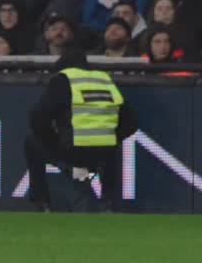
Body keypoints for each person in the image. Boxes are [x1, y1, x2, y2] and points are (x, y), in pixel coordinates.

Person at [24, 46, 138, 211]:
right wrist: (111, 138)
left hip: (73, 149)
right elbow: (131, 122)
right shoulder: (104, 79)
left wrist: (54, 142)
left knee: (31, 143)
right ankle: (108, 203)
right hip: (104, 153)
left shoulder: (64, 79)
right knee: (112, 149)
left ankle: (42, 202)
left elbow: (38, 118)